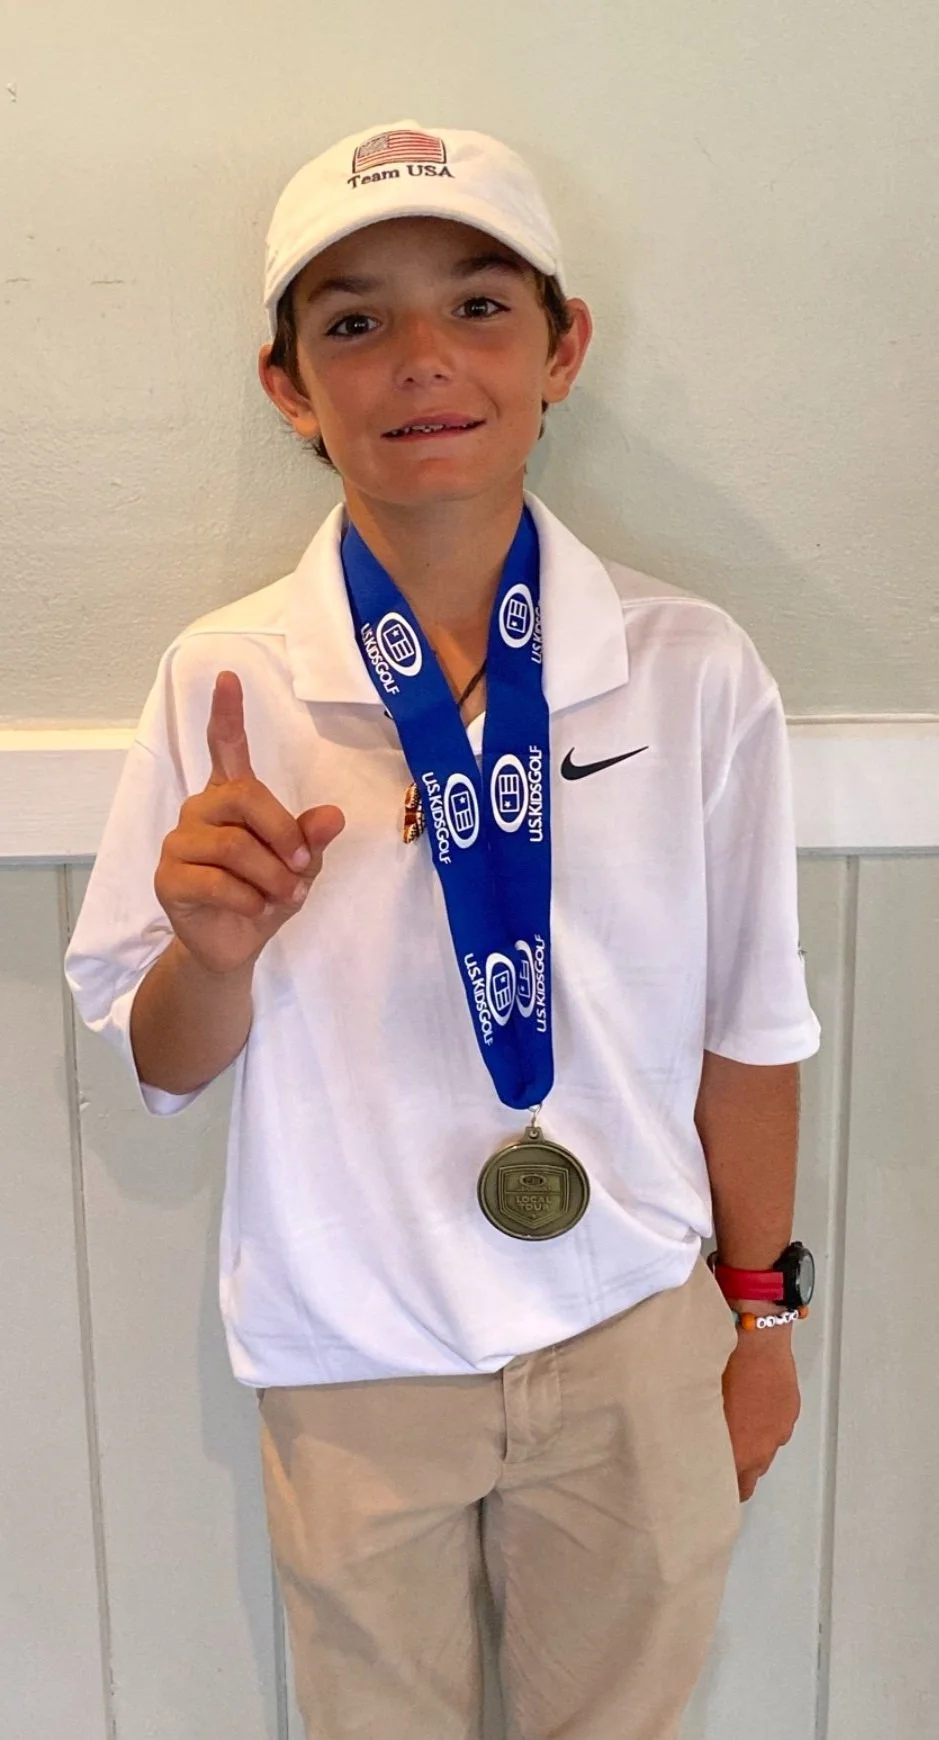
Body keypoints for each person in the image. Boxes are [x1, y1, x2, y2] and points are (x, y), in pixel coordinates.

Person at [64, 119, 821, 1740]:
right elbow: (162, 1066)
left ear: (562, 349)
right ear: (288, 386)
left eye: (478, 306)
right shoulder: (228, 682)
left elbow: (749, 1031)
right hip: (352, 1353)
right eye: (353, 322)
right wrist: (211, 956)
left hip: (632, 1327)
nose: (421, 358)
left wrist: (758, 1324)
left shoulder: (688, 670)